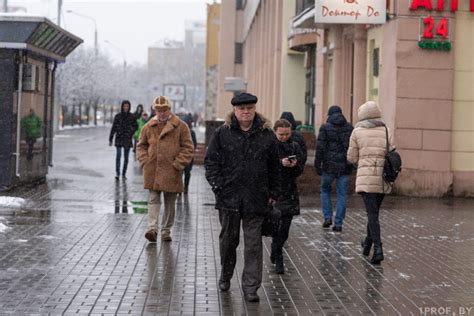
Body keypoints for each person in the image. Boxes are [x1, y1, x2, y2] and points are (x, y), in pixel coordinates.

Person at [204, 92, 281, 303]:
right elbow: (211, 163)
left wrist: (272, 193)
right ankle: (226, 275)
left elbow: (275, 167)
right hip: (229, 199)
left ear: (254, 109)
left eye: (249, 108)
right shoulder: (223, 133)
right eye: (241, 109)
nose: (246, 112)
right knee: (229, 241)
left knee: (253, 245)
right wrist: (218, 187)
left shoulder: (267, 135)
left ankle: (250, 287)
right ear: (235, 111)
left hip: (257, 199)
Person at [137, 96, 194, 243]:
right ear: (154, 110)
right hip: (153, 170)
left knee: (170, 203)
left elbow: (188, 147)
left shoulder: (180, 126)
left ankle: (166, 230)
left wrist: (178, 164)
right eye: (158, 110)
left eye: (164, 110)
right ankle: (152, 229)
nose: (161, 113)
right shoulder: (149, 126)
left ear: (169, 109)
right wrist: (145, 162)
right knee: (153, 199)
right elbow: (141, 146)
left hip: (171, 171)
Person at [347, 101, 393, 265]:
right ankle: (367, 243)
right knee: (374, 214)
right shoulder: (385, 129)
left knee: (372, 215)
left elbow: (351, 158)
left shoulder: (357, 132)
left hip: (366, 178)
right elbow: (391, 150)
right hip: (382, 178)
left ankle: (378, 249)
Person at [271, 119, 304, 275]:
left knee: (285, 230)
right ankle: (279, 259)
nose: (284, 137)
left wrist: (294, 165)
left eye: (287, 134)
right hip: (275, 192)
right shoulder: (270, 146)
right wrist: (279, 163)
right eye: (281, 134)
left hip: (290, 191)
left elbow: (300, 170)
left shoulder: (294, 146)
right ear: (275, 132)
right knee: (276, 227)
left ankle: (275, 248)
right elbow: (265, 167)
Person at [314, 105, 354, 232]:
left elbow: (320, 148)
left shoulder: (325, 127)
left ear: (329, 115)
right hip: (344, 166)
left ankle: (327, 217)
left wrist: (317, 164)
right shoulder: (349, 128)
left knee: (325, 190)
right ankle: (338, 223)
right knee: (342, 194)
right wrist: (351, 164)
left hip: (328, 166)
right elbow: (353, 148)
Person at [109, 100, 138, 180]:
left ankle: (124, 173)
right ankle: (117, 173)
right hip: (119, 138)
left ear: (129, 107)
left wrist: (130, 132)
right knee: (118, 156)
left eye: (127, 106)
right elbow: (113, 127)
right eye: (124, 106)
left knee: (126, 157)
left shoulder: (132, 116)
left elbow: (136, 126)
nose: (125, 107)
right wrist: (110, 138)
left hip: (127, 139)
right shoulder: (118, 116)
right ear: (122, 106)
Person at [183, 117, 197, 194]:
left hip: (188, 155)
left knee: (186, 172)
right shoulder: (181, 132)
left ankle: (185, 187)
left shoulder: (191, 133)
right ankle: (184, 187)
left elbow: (194, 144)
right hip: (186, 155)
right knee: (186, 172)